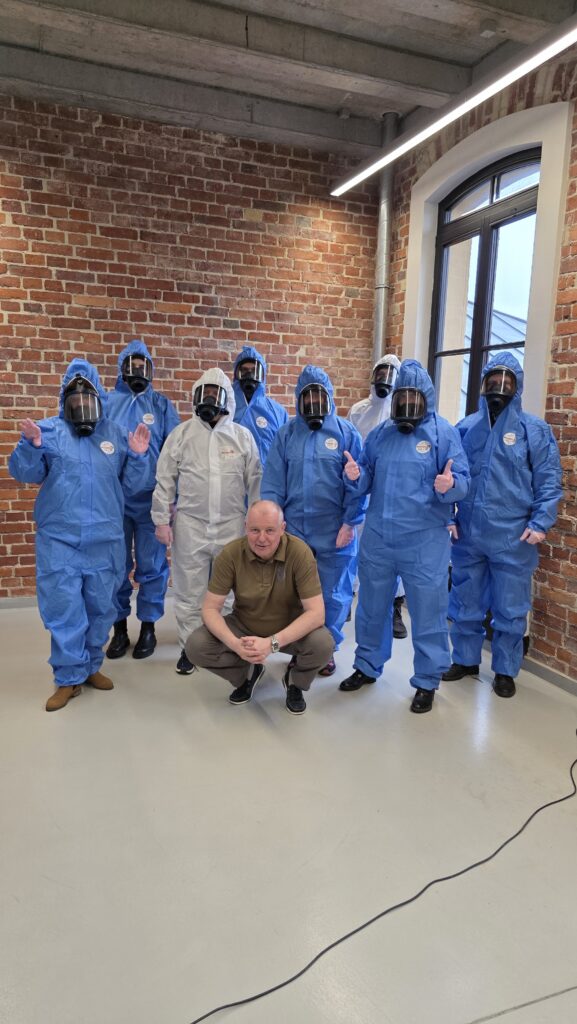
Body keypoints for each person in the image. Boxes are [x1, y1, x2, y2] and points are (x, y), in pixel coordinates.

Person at [8, 358, 152, 712]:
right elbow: (24, 473)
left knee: (101, 608)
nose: (82, 407)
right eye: (75, 400)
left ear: (99, 399)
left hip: (105, 540)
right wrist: (32, 445)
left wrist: (138, 457)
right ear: (64, 400)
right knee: (64, 609)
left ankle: (89, 667)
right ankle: (67, 678)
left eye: (89, 399)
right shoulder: (49, 431)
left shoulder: (115, 434)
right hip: (61, 540)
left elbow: (134, 486)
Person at [339, 359, 470, 713]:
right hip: (380, 537)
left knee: (428, 613)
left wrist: (450, 485)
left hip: (425, 542)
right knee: (371, 607)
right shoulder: (381, 434)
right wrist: (354, 475)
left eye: (415, 399)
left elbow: (463, 481)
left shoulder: (443, 433)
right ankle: (367, 665)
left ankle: (427, 680)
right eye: (403, 398)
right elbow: (365, 476)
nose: (408, 406)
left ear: (427, 399)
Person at [443, 353, 562, 698]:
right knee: (465, 601)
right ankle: (465, 660)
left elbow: (549, 480)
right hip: (469, 533)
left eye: (506, 382)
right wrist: (449, 516)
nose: (499, 388)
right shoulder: (466, 428)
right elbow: (449, 476)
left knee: (510, 607)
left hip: (514, 536)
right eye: (493, 381)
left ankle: (505, 670)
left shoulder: (533, 430)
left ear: (517, 386)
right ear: (483, 384)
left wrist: (540, 523)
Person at [151, 367, 262, 674]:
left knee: (228, 592)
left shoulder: (242, 437)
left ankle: (221, 643)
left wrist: (255, 526)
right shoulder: (182, 435)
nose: (210, 400)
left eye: (216, 394)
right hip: (191, 524)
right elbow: (164, 479)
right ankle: (190, 647)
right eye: (205, 393)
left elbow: (256, 482)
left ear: (228, 400)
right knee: (189, 592)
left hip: (231, 525)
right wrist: (161, 520)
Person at [261, 365, 366, 677]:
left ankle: (325, 650)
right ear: (299, 399)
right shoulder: (287, 434)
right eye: (307, 397)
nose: (313, 403)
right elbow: (273, 483)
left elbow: (359, 484)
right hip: (295, 529)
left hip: (336, 531)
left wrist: (350, 522)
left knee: (334, 595)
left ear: (329, 397)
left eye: (319, 396)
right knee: (295, 594)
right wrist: (273, 527)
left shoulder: (346, 433)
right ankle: (300, 649)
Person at [186, 500, 334, 714]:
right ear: (245, 526)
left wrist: (272, 643)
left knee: (323, 644)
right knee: (196, 646)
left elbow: (316, 613)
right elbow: (210, 609)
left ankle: (295, 682)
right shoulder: (230, 554)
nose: (262, 538)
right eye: (255, 530)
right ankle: (246, 675)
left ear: (282, 528)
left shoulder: (299, 552)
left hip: (288, 627)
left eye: (270, 530)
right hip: (244, 625)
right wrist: (235, 645)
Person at [105, 339, 180, 661]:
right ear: (121, 368)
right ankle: (119, 628)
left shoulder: (161, 406)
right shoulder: (106, 403)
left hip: (152, 501)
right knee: (115, 566)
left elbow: (176, 453)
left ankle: (148, 627)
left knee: (152, 565)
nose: (138, 371)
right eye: (132, 365)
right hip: (115, 501)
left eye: (143, 365)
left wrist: (173, 499)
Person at [348, 353, 407, 639]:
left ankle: (395, 607)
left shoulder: (404, 411)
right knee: (354, 542)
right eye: (380, 373)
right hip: (362, 486)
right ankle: (348, 597)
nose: (384, 380)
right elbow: (351, 447)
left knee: (394, 549)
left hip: (393, 489)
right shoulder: (358, 410)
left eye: (390, 374)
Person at [232, 345, 288, 464]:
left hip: (265, 475)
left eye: (254, 370)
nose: (249, 375)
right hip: (232, 474)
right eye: (244, 371)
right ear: (236, 374)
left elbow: (285, 452)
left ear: (262, 375)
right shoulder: (225, 408)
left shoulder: (278, 412)